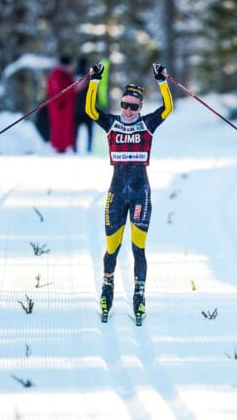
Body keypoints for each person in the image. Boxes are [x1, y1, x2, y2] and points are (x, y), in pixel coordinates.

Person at [85, 62, 174, 324]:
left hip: (139, 192)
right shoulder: (112, 124)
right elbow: (90, 110)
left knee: (138, 248)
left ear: (140, 108)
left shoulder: (147, 125)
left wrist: (162, 81)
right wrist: (95, 80)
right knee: (112, 247)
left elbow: (168, 108)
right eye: (124, 104)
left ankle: (139, 294)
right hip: (116, 192)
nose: (128, 110)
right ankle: (107, 287)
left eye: (133, 106)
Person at [46, 55, 76, 153]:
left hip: (65, 110)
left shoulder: (65, 75)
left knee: (64, 132)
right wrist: (73, 88)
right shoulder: (56, 75)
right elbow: (58, 93)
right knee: (59, 132)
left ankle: (62, 149)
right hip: (59, 109)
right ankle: (59, 150)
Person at [73, 57, 95, 153]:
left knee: (75, 132)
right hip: (88, 108)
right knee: (89, 131)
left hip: (77, 108)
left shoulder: (75, 77)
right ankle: (89, 148)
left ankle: (75, 148)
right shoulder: (90, 77)